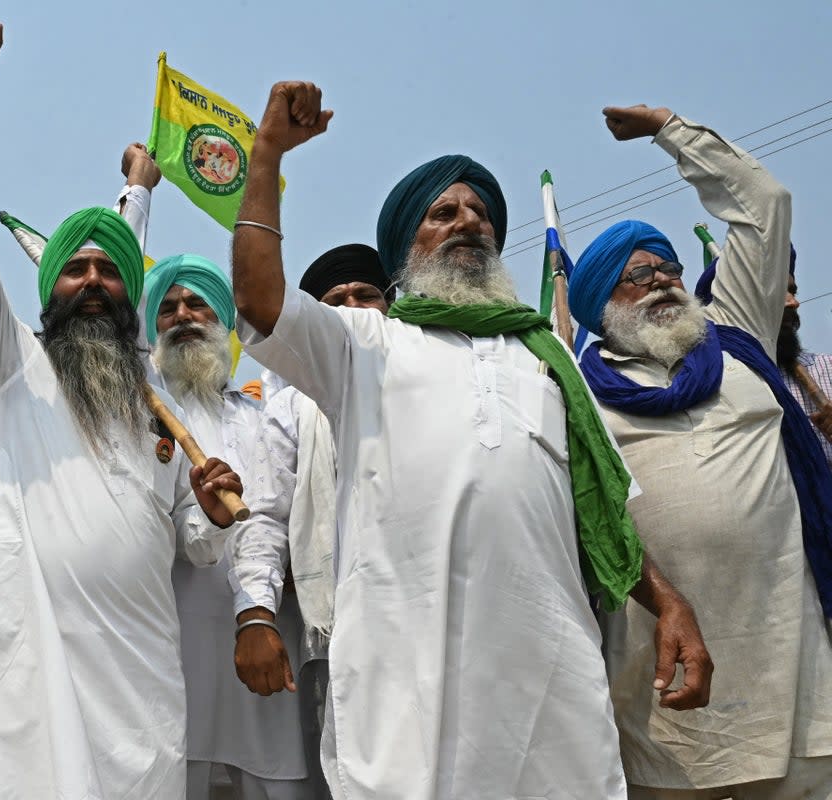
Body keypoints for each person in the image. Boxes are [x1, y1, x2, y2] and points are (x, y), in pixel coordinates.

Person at [231, 80, 712, 799]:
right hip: (409, 706)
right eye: (444, 212)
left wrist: (670, 604)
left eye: (481, 212)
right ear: (406, 247)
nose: (468, 221)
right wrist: (266, 154)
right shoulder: (365, 343)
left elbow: (602, 516)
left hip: (550, 704)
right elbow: (259, 300)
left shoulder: (545, 363)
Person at [0, 10, 245, 797]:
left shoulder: (161, 404)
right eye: (77, 270)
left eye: (110, 272)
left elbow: (199, 549)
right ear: (50, 293)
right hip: (38, 677)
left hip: (142, 694)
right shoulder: (13, 369)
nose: (96, 281)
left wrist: (205, 508)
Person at [568, 104, 832, 799]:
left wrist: (669, 129)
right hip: (661, 680)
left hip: (794, 669)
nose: (660, 279)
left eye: (667, 267)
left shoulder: (737, 336)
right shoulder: (575, 394)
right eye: (636, 274)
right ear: (601, 307)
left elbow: (764, 206)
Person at [144, 254, 310, 799]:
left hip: (267, 635)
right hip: (175, 652)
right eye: (167, 308)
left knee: (275, 779)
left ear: (224, 323)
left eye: (197, 304)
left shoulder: (267, 415)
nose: (183, 315)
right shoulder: (143, 421)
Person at [230, 243, 392, 800]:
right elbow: (265, 517)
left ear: (389, 306)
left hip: (431, 616)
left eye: (364, 295)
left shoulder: (426, 382)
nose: (350, 307)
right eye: (334, 300)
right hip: (336, 634)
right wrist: (256, 615)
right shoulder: (291, 408)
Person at [777, 258, 832, 466]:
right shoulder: (728, 381)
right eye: (777, 292)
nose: (793, 302)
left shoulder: (827, 368)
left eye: (792, 291)